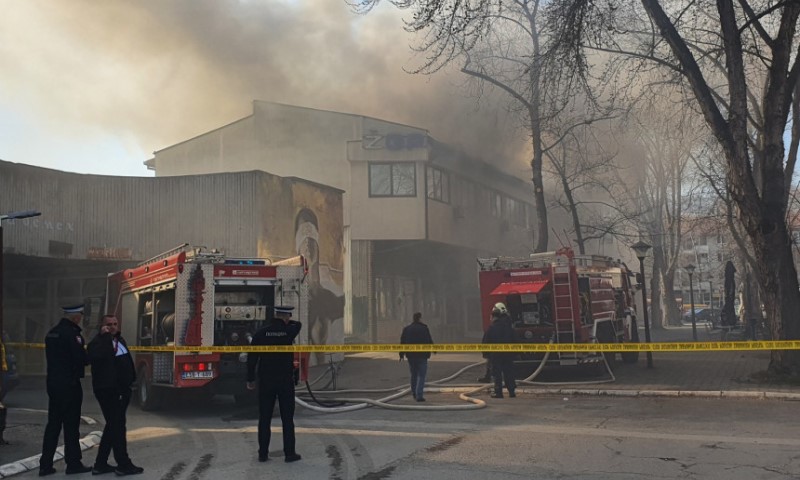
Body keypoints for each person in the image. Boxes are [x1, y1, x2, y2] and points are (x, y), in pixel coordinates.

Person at [87, 315, 143, 476]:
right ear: (102, 326)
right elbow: (99, 357)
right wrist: (104, 337)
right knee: (117, 427)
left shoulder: (119, 340)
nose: (112, 327)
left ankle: (100, 464)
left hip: (122, 390)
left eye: (115, 324)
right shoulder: (97, 343)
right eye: (108, 324)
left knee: (113, 426)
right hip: (109, 390)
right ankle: (123, 464)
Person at [39, 304, 91, 476]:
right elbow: (81, 358)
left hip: (54, 384)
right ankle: (73, 463)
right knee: (71, 426)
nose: (81, 318)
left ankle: (45, 465)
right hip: (70, 385)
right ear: (75, 317)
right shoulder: (73, 334)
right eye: (80, 315)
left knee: (53, 425)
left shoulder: (52, 333)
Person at [246, 306, 303, 463]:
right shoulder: (289, 331)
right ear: (286, 317)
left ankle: (263, 454)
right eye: (288, 316)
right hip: (285, 381)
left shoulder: (261, 333)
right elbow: (298, 324)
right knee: (287, 419)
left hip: (266, 381)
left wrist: (250, 379)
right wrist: (286, 322)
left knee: (264, 418)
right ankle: (289, 454)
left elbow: (252, 358)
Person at [482, 302, 517, 399]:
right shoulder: (509, 327)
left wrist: (486, 354)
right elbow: (515, 340)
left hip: (495, 355)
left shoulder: (492, 328)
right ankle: (512, 392)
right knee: (509, 372)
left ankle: (498, 393)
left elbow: (485, 342)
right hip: (508, 354)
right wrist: (515, 353)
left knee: (497, 373)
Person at [399, 312, 434, 402]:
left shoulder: (407, 329)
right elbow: (429, 340)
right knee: (421, 375)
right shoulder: (424, 328)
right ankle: (419, 395)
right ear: (420, 318)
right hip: (422, 355)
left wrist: (401, 354)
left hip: (411, 356)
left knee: (414, 375)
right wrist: (434, 349)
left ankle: (414, 393)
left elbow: (402, 342)